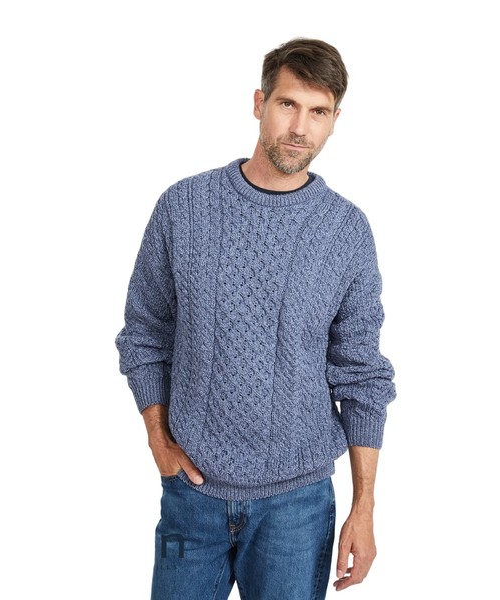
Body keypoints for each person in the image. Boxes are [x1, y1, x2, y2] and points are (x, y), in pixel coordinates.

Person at [115, 37, 396, 599]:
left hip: (298, 509)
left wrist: (364, 507)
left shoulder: (345, 232)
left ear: (335, 121)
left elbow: (362, 375)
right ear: (259, 102)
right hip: (190, 496)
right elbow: (144, 335)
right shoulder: (183, 208)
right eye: (288, 104)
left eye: (318, 112)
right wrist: (158, 440)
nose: (300, 127)